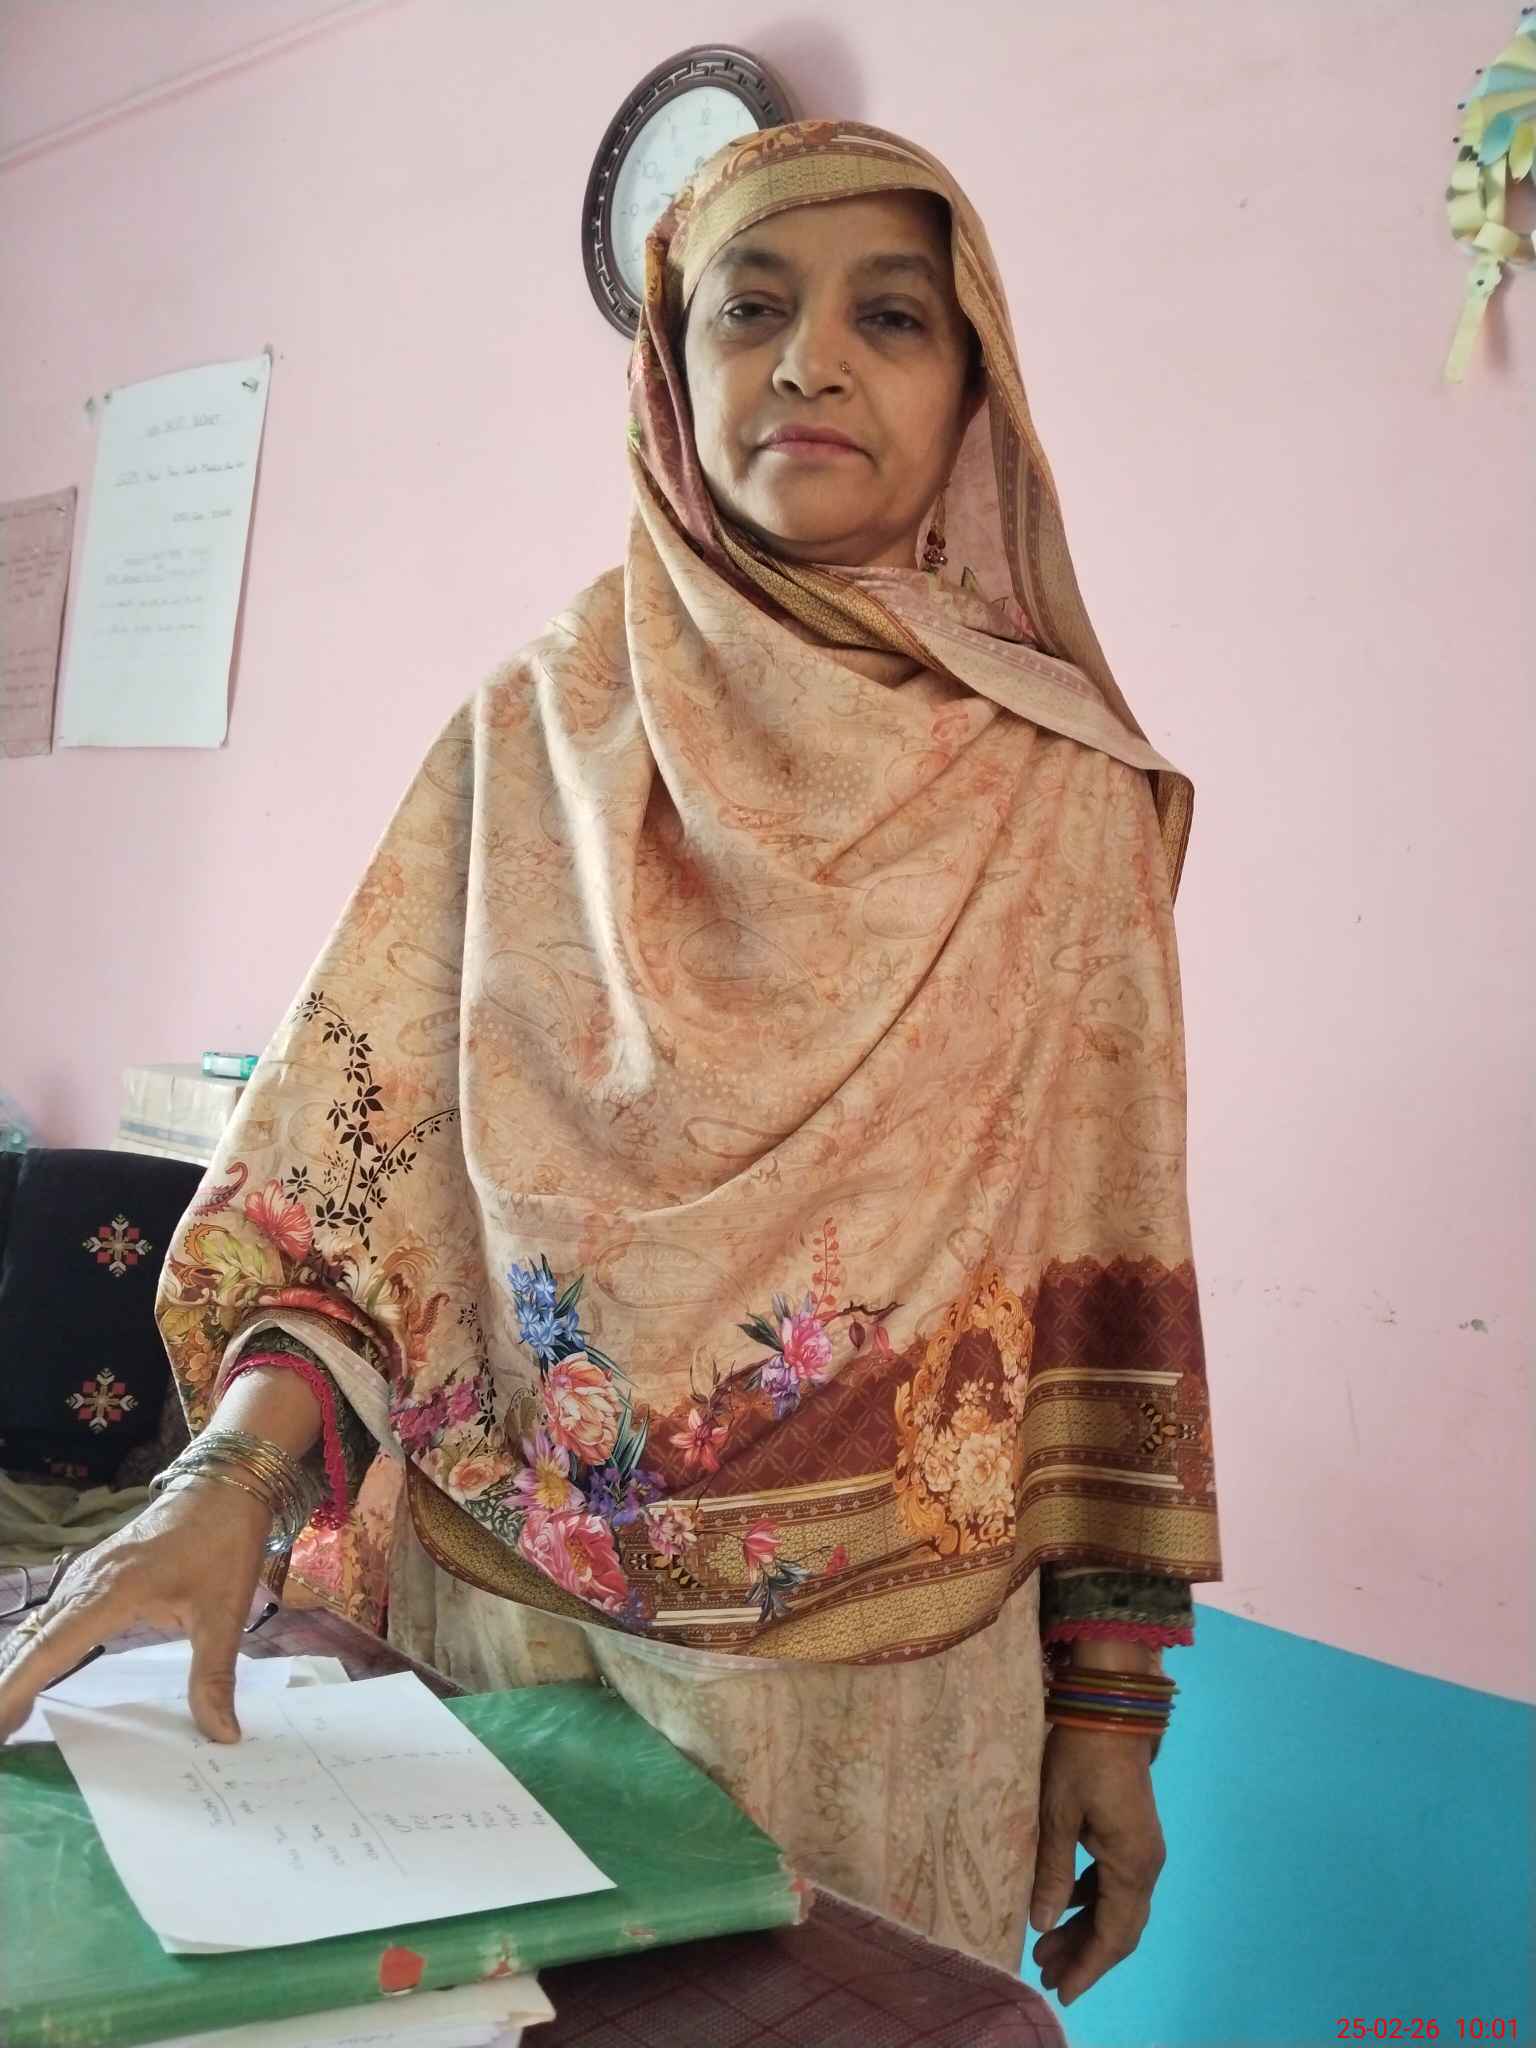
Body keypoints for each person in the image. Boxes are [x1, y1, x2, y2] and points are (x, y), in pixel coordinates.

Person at [0, 119, 1220, 2008]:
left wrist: (1112, 1707)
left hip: (884, 1717)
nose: (811, 361)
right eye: (751, 306)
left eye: (891, 316)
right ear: (671, 367)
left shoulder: (1061, 799)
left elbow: (1106, 1265)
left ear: (972, 387)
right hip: (500, 1652)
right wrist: (216, 1485)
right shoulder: (530, 739)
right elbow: (352, 1172)